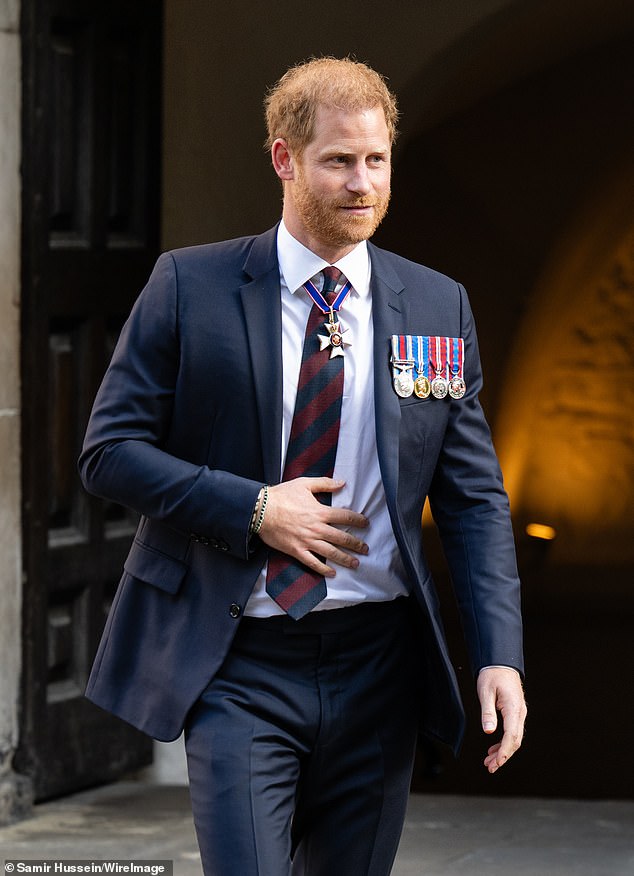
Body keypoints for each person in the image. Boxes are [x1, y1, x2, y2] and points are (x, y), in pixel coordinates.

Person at [79, 57, 527, 876]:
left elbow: (473, 500)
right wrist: (256, 508)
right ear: (284, 159)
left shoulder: (435, 306)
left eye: (378, 160)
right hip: (240, 662)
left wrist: (501, 653)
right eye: (340, 161)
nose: (364, 183)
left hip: (379, 667)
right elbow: (109, 455)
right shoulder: (191, 286)